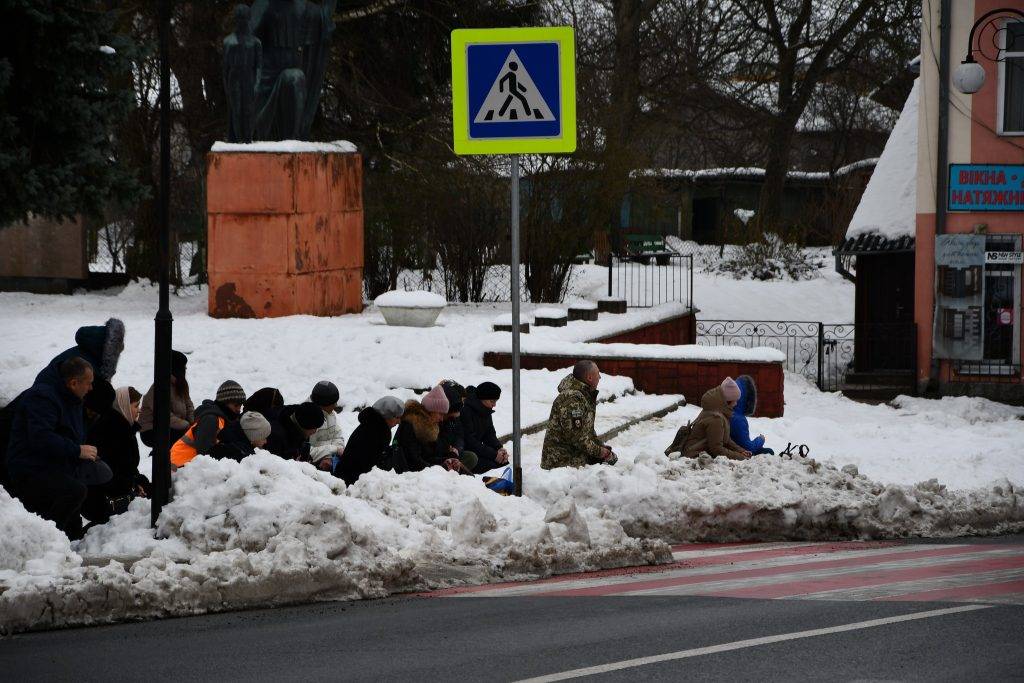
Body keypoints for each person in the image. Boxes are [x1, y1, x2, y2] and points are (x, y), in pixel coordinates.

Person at [5, 357, 111, 539]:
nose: (91, 388)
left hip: (54, 465)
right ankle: (45, 540)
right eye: (89, 383)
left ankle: (61, 542)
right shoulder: (43, 397)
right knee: (74, 491)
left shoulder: (73, 399)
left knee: (77, 500)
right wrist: (77, 450)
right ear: (73, 383)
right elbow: (40, 437)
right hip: (29, 467)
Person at [82, 386, 151, 525]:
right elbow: (113, 470)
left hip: (110, 494)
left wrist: (137, 482)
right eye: (136, 405)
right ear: (123, 405)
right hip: (103, 501)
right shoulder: (114, 430)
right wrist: (134, 485)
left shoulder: (123, 427)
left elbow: (126, 467)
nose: (139, 410)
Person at [541, 361, 617, 470]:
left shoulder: (583, 395)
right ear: (590, 377)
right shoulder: (572, 399)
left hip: (573, 462)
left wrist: (601, 447)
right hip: (561, 467)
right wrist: (601, 453)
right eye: (598, 374)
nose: (600, 377)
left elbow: (586, 432)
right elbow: (577, 438)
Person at [394, 385, 476, 474]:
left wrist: (446, 461)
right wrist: (441, 467)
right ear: (431, 410)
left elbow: (428, 456)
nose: (442, 419)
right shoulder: (411, 425)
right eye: (440, 414)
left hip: (422, 470)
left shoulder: (428, 425)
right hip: (408, 475)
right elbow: (413, 461)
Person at [170, 380, 246, 467]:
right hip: (180, 467)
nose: (239, 409)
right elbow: (204, 451)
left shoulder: (222, 419)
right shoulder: (210, 419)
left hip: (188, 465)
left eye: (240, 406)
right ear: (224, 403)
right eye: (236, 405)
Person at [333, 396, 404, 486]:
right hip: (353, 484)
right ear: (387, 415)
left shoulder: (371, 423)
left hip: (345, 477)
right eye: (397, 418)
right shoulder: (379, 432)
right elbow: (374, 464)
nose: (399, 422)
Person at [681, 377, 751, 460]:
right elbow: (717, 449)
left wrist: (740, 451)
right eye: (734, 400)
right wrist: (740, 457)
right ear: (727, 400)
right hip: (694, 457)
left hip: (699, 454)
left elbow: (725, 439)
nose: (736, 404)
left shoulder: (716, 410)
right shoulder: (716, 419)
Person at [139, 350, 194, 447]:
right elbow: (164, 416)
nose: (186, 368)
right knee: (188, 438)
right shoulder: (160, 387)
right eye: (183, 366)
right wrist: (186, 425)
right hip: (151, 430)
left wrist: (193, 422)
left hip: (174, 426)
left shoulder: (181, 384)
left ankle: (175, 460)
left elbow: (189, 405)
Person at [462, 382, 508, 474]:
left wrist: (499, 448)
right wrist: (494, 455)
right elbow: (470, 441)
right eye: (492, 401)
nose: (494, 405)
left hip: (478, 450)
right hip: (466, 453)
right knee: (491, 466)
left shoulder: (485, 410)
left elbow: (489, 434)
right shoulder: (466, 411)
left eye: (495, 401)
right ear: (482, 399)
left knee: (503, 463)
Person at [435, 380, 478, 473]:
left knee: (472, 457)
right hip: (438, 456)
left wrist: (456, 449)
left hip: (451, 453)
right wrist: (447, 450)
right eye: (460, 400)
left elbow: (460, 435)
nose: (462, 405)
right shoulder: (440, 414)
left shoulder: (456, 414)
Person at [729, 375, 774, 456]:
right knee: (769, 452)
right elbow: (748, 447)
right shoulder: (738, 419)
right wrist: (761, 439)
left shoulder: (729, 412)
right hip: (739, 453)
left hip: (734, 450)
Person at [307, 381, 346, 472]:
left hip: (330, 460)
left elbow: (338, 437)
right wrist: (335, 449)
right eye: (333, 403)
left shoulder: (330, 413)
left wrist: (329, 457)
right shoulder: (306, 418)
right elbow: (307, 451)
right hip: (310, 466)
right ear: (323, 405)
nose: (335, 405)